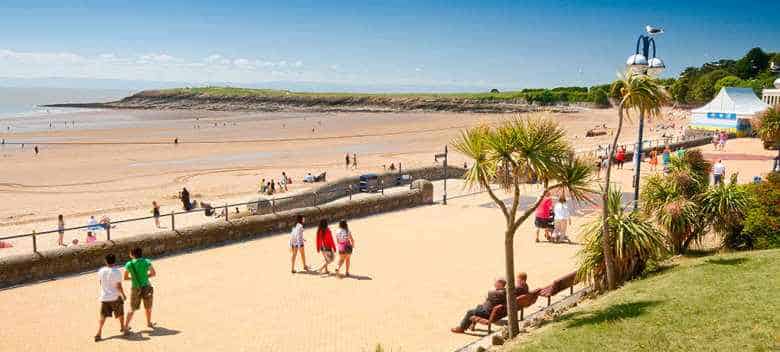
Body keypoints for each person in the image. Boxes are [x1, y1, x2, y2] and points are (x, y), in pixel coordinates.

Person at [95, 253, 127, 342]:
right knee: (120, 313)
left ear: (106, 261)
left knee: (103, 316)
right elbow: (119, 286)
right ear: (114, 261)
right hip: (115, 297)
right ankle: (122, 328)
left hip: (104, 297)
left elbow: (101, 282)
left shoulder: (101, 271)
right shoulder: (117, 272)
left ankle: (99, 332)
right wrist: (123, 295)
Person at [124, 247, 156, 330]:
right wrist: (145, 276)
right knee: (148, 306)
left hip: (135, 287)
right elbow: (153, 273)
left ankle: (126, 326)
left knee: (132, 308)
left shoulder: (129, 264)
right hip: (146, 286)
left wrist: (134, 278)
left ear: (132, 254)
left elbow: (126, 278)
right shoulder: (147, 262)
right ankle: (149, 323)